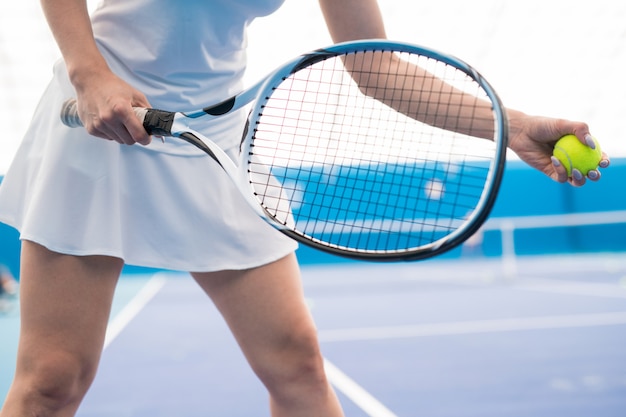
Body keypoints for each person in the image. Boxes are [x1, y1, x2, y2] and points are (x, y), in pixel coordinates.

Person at [0, 0, 610, 416]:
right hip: (98, 121)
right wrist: (89, 75)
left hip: (212, 142)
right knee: (52, 382)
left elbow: (378, 68)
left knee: (297, 366)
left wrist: (517, 124)